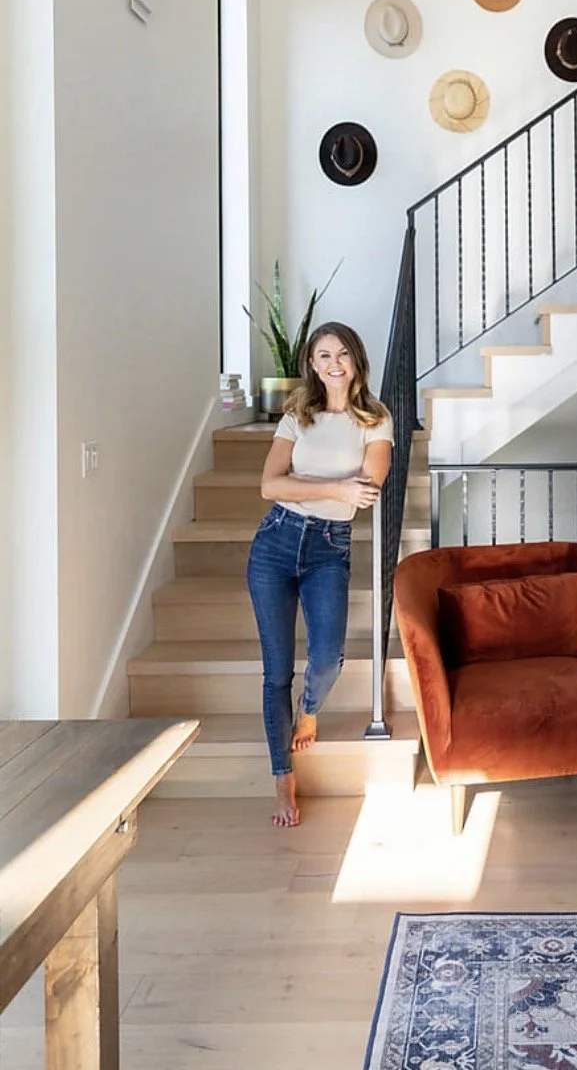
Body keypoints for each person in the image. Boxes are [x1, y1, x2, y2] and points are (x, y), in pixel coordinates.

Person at [247, 321, 393, 827]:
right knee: (275, 673)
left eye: (342, 354)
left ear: (356, 361)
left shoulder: (375, 419)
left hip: (329, 548)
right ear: (311, 363)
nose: (333, 363)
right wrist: (330, 486)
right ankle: (283, 782)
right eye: (323, 354)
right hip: (275, 542)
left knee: (328, 657)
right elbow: (268, 487)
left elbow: (367, 490)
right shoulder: (296, 414)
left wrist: (301, 482)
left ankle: (309, 710)